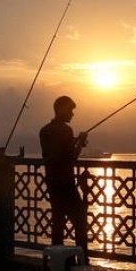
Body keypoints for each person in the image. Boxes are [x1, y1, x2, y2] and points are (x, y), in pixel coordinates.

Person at [38, 95, 90, 258]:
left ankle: (57, 264)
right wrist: (80, 143)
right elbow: (71, 157)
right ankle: (82, 262)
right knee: (80, 224)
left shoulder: (44, 130)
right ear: (61, 110)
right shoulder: (66, 130)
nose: (72, 114)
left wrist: (72, 142)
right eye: (70, 110)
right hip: (66, 183)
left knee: (58, 224)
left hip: (52, 183)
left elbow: (54, 152)